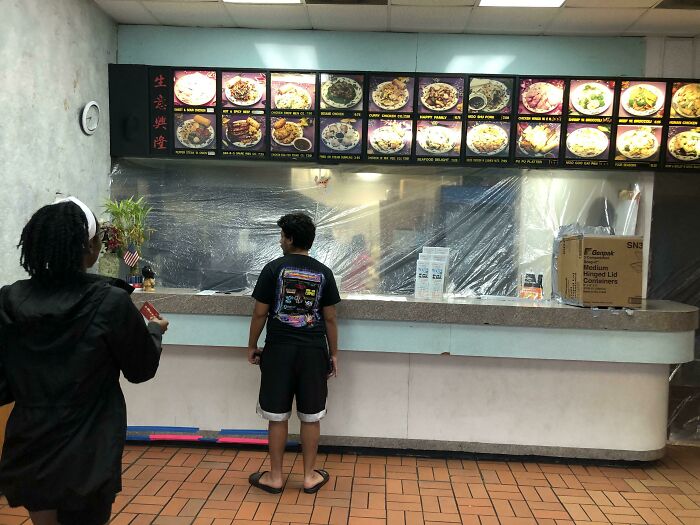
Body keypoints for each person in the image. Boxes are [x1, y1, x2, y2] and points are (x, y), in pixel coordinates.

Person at [0, 197, 169, 525]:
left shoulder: (8, 299)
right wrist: (153, 330)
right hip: (89, 445)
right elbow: (140, 369)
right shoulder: (111, 301)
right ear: (90, 250)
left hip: (31, 440)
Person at [247, 212, 340, 494]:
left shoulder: (272, 269)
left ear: (289, 238)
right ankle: (310, 476)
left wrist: (252, 346)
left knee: (277, 415)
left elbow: (260, 312)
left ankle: (275, 477)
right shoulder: (324, 272)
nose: (280, 241)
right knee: (311, 416)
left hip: (278, 351)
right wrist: (333, 353)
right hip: (313, 351)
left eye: (281, 236)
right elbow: (331, 319)